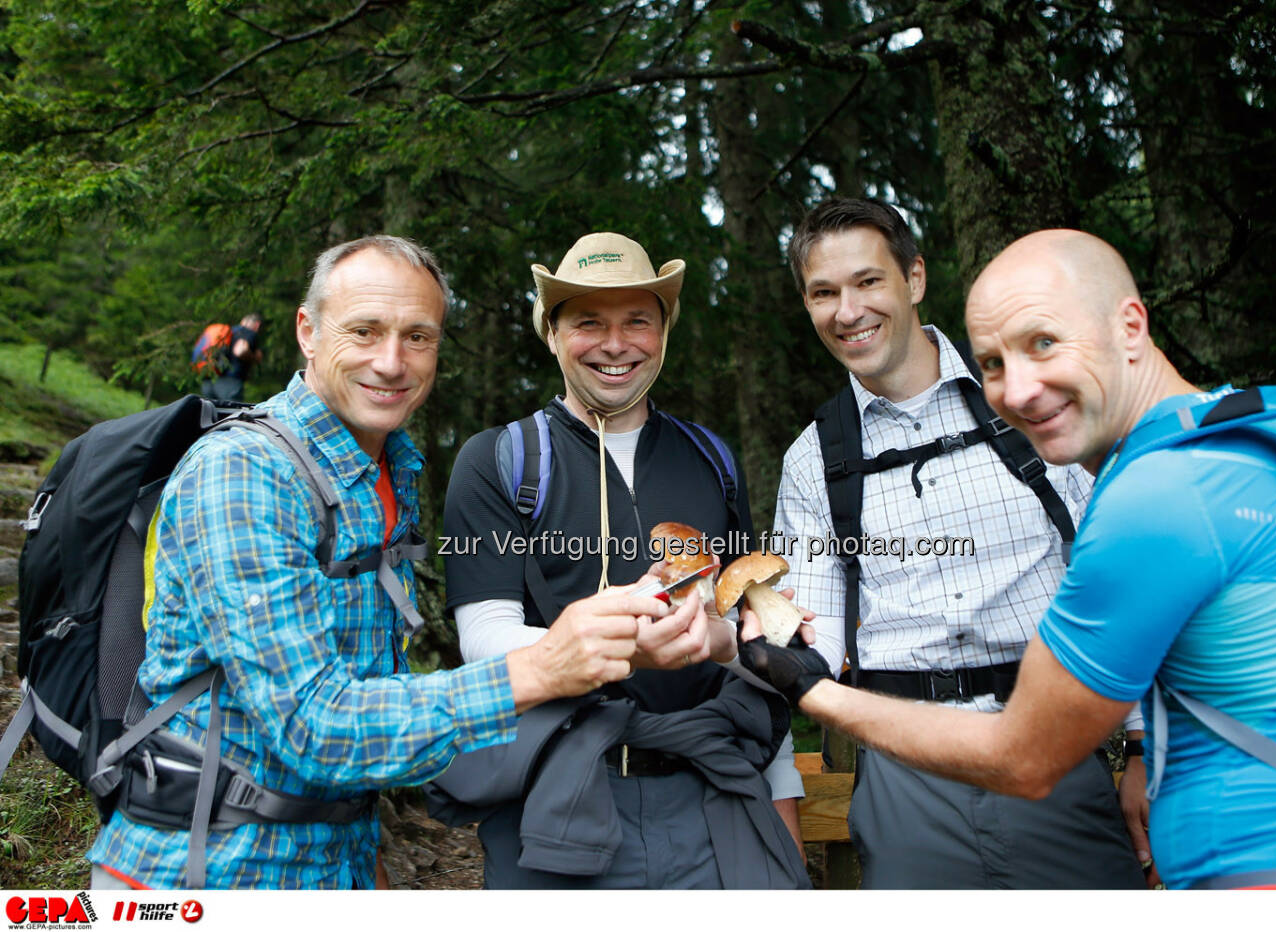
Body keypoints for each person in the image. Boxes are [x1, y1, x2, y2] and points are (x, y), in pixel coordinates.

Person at [740, 227, 1276, 889]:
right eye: (994, 364)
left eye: (1043, 343)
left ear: (1130, 326)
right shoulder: (1260, 430)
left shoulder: (1155, 497)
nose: (1017, 390)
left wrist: (812, 692)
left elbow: (1023, 754)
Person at [87, 235, 668, 889]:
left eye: (417, 337)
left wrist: (370, 867)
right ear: (308, 332)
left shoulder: (390, 466)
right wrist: (541, 667)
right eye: (365, 330)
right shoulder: (243, 473)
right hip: (204, 873)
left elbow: (364, 693)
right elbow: (316, 727)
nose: (391, 362)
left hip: (333, 860)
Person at [769, 198, 1146, 889]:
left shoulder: (1026, 398)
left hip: (1052, 746)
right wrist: (739, 640)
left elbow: (1130, 579)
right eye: (823, 293)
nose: (847, 311)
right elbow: (811, 642)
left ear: (914, 279)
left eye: (868, 282)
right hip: (904, 773)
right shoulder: (813, 459)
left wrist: (1146, 750)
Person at [441, 231, 808, 889]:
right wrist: (628, 647)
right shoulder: (502, 460)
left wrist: (780, 795)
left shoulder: (713, 460)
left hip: (710, 798)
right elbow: (484, 643)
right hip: (560, 801)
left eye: (637, 320)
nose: (615, 344)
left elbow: (754, 636)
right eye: (588, 322)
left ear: (664, 332)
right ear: (550, 333)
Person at [200, 313, 264, 402]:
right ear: (257, 325)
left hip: (209, 381)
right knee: (232, 414)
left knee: (211, 413)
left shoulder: (228, 332)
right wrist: (254, 357)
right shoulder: (248, 332)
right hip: (229, 382)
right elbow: (240, 350)